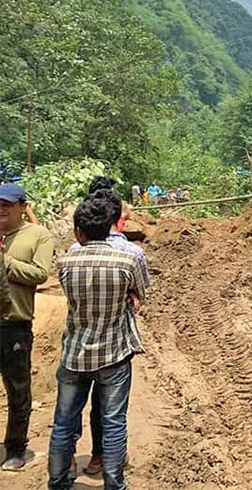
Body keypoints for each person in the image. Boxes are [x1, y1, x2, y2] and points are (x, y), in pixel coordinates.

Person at [48, 197, 146, 490]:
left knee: (64, 423)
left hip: (75, 353)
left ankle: (58, 481)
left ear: (78, 231)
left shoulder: (66, 261)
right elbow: (139, 294)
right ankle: (113, 484)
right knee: (113, 423)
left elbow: (71, 297)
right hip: (114, 354)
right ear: (111, 227)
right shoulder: (128, 259)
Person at [0, 183, 52, 471]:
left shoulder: (37, 235)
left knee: (18, 389)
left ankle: (16, 448)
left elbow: (40, 274)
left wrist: (4, 261)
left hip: (14, 325)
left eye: (7, 204)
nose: (1, 209)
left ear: (22, 206)